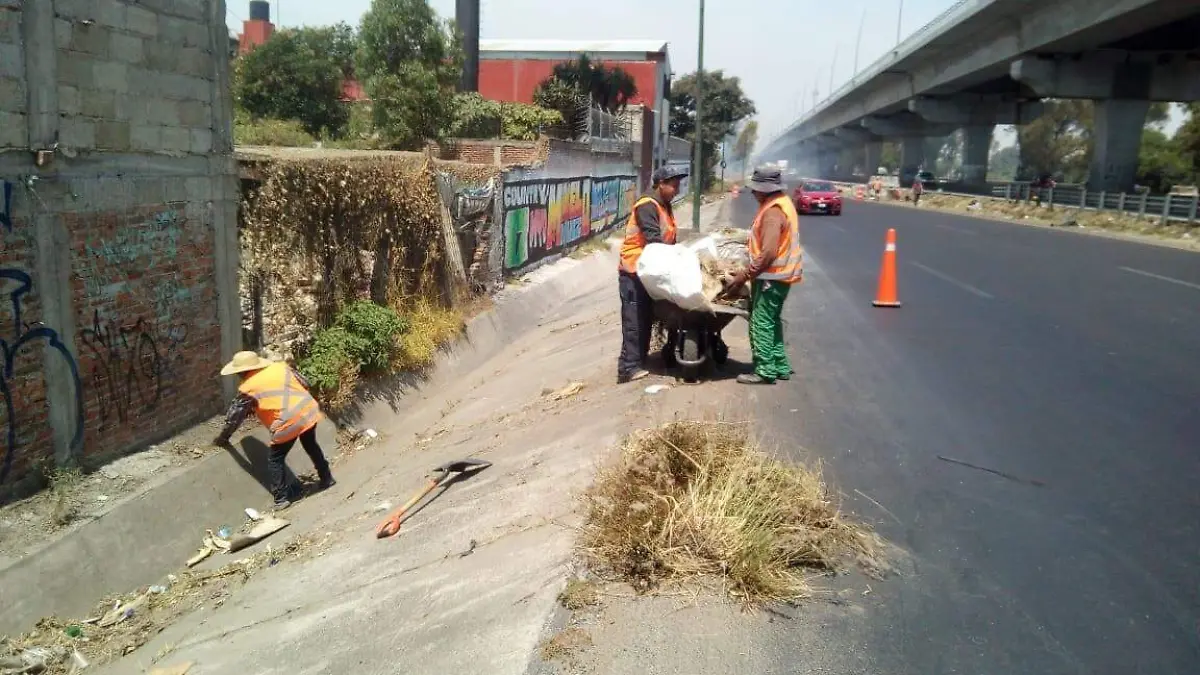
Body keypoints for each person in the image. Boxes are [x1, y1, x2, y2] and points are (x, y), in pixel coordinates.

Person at [214, 350, 334, 509]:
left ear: (242, 372)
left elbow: (234, 418)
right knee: (310, 444)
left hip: (287, 423)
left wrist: (223, 437)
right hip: (308, 410)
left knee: (275, 459)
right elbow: (305, 383)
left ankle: (280, 498)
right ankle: (326, 478)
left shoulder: (247, 388)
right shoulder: (280, 368)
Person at [725, 167, 803, 385]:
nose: (753, 193)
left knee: (761, 322)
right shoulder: (783, 204)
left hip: (772, 276)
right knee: (772, 321)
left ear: (764, 190)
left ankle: (765, 370)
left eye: (755, 190)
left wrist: (744, 275)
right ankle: (780, 365)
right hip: (780, 276)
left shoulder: (772, 212)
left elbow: (768, 253)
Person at [617, 166, 688, 384]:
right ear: (661, 184)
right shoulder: (647, 205)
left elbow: (669, 239)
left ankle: (636, 362)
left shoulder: (663, 205)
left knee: (645, 319)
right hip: (633, 269)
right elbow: (654, 239)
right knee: (635, 321)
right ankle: (629, 368)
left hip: (648, 271)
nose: (677, 190)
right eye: (674, 186)